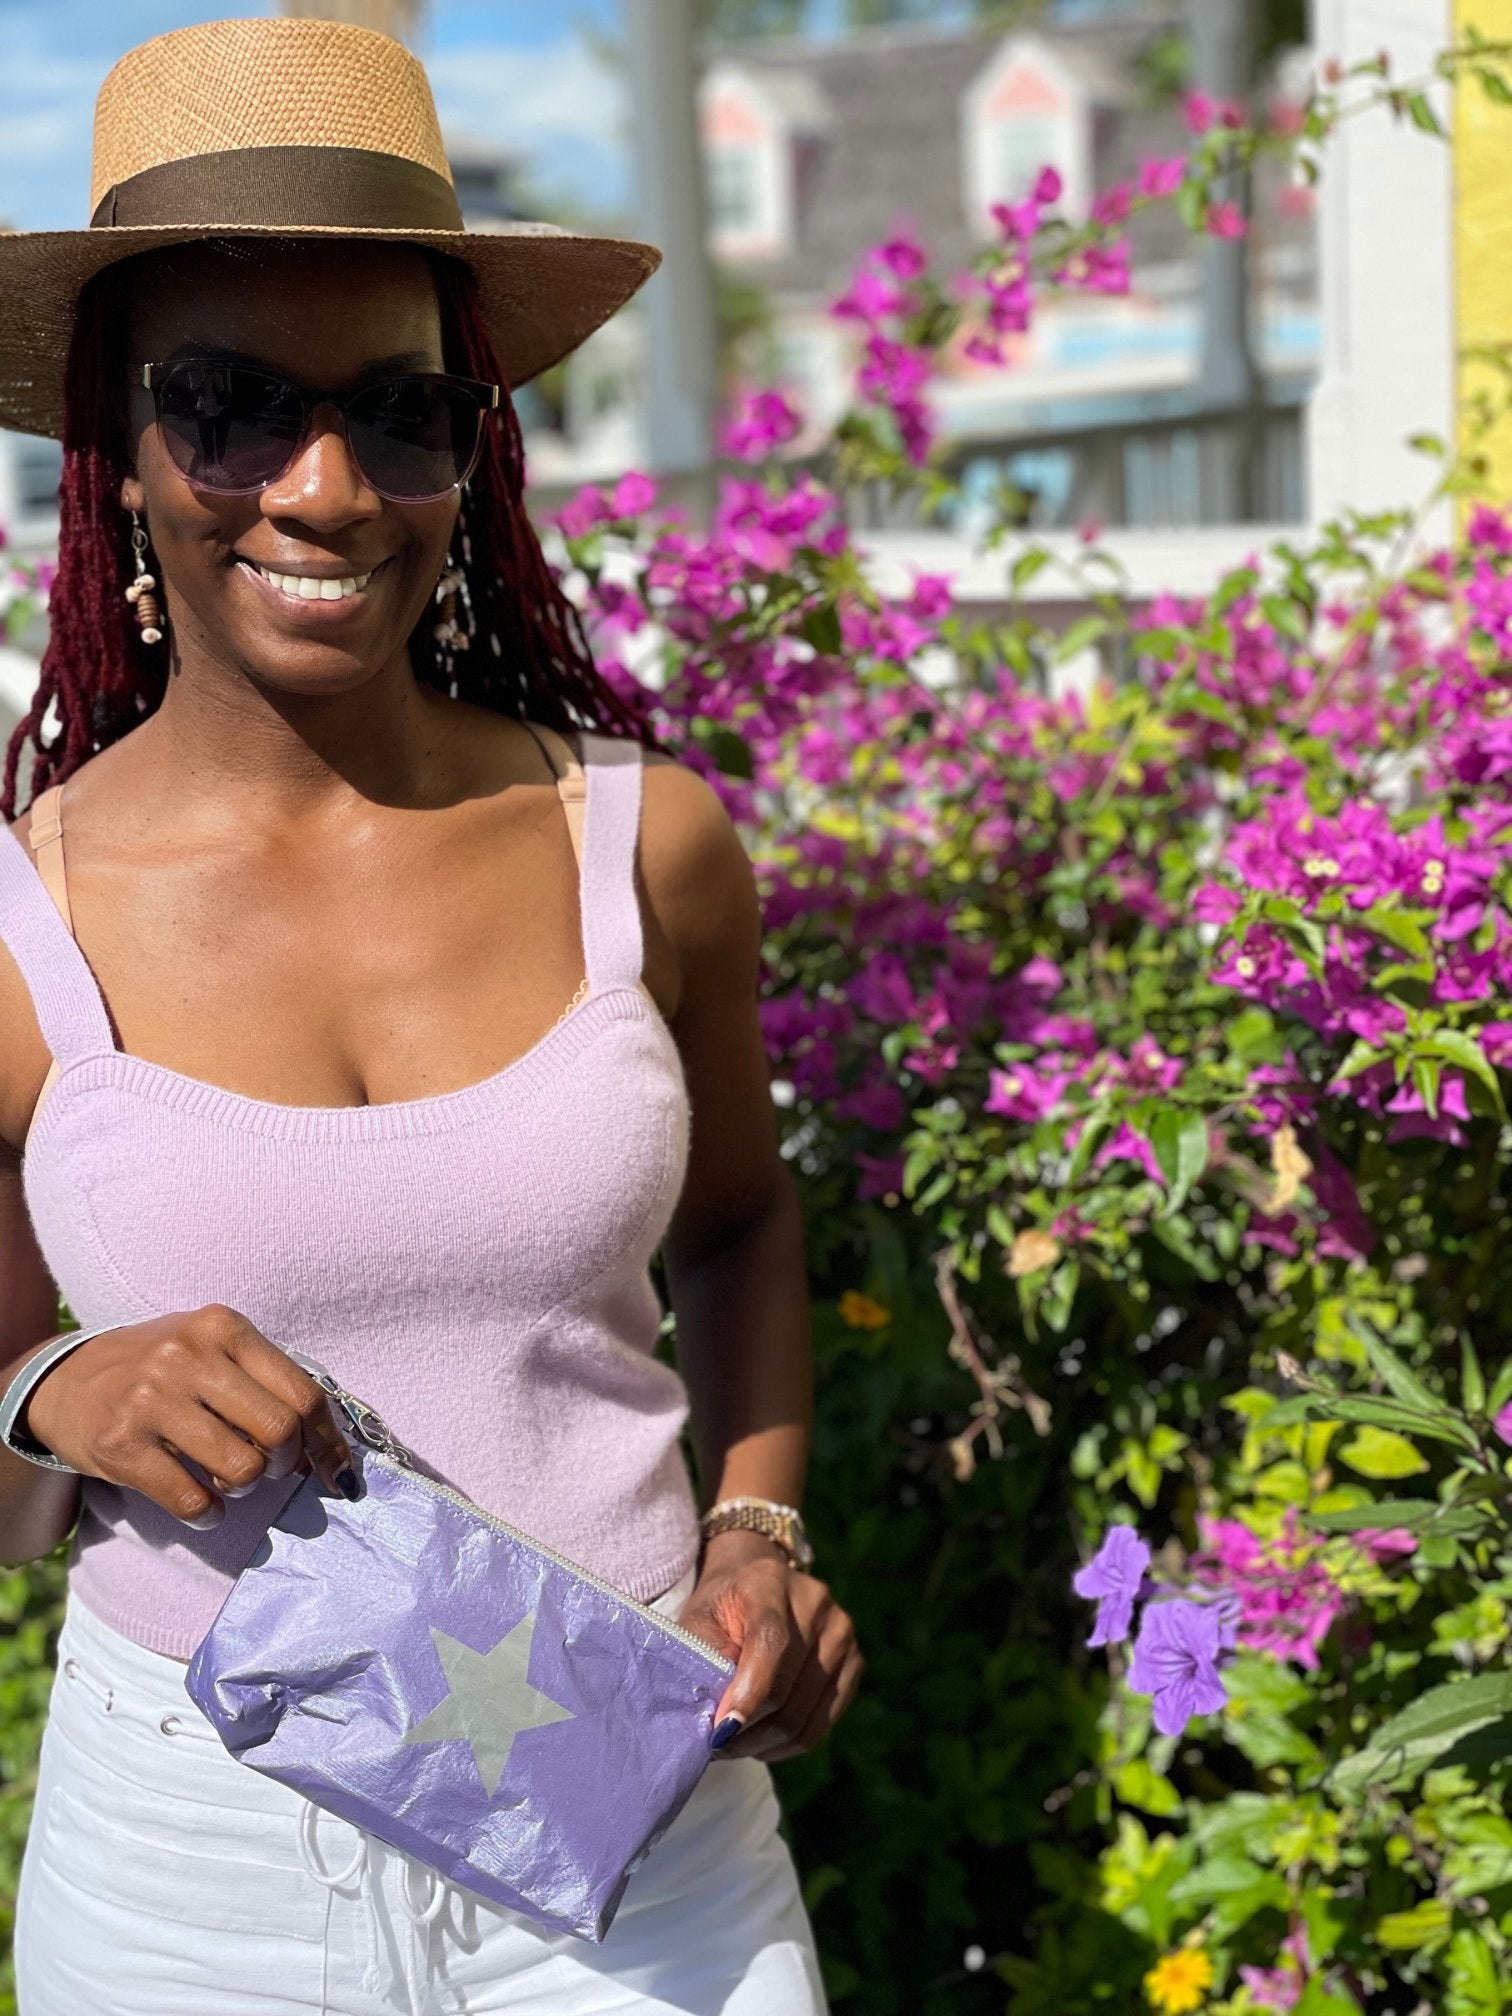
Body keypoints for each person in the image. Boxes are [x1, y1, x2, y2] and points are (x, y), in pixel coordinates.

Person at [0, 18, 858, 2013]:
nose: (326, 490)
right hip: (196, 1865)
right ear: (117, 445)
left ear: (477, 447)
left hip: (639, 1813)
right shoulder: (24, 921)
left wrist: (760, 1532)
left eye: (401, 411)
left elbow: (740, 1223)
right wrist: (56, 1391)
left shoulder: (642, 845)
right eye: (228, 405)